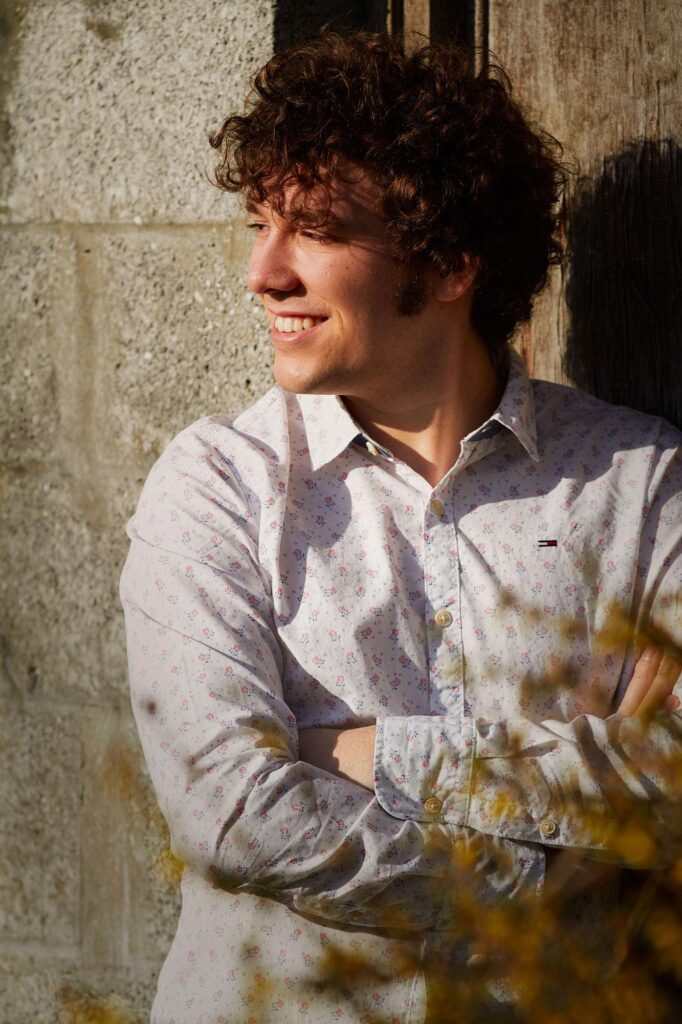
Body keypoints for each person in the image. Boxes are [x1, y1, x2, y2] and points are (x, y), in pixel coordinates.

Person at [121, 31, 682, 1024]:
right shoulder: (215, 485)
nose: (263, 270)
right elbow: (233, 814)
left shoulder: (639, 483)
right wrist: (543, 877)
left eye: (315, 228)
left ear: (449, 260)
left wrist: (363, 753)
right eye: (260, 222)